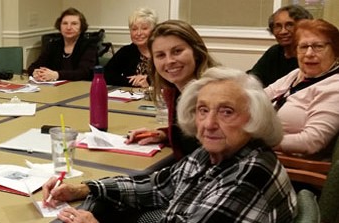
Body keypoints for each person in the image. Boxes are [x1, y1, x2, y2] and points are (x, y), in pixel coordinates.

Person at [43, 67, 296, 223]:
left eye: (226, 112)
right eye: (202, 110)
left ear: (254, 118)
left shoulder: (248, 175)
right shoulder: (214, 152)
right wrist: (83, 188)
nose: (208, 124)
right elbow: (158, 186)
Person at [125, 20, 219, 160]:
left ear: (196, 52)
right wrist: (164, 134)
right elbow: (192, 135)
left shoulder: (214, 95)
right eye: (160, 55)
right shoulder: (175, 91)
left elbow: (216, 149)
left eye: (177, 51)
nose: (169, 61)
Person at [264, 19, 339, 161]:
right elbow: (258, 99)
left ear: (335, 51)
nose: (309, 53)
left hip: (293, 168)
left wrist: (260, 142)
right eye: (303, 47)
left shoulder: (334, 87)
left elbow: (311, 141)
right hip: (266, 155)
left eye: (318, 46)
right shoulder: (297, 75)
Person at [249, 5, 313, 87]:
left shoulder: (310, 55)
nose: (283, 31)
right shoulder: (275, 51)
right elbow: (255, 77)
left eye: (289, 25)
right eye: (278, 26)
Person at [28, 8, 97, 82]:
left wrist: (56, 75)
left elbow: (83, 73)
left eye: (74, 23)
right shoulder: (54, 45)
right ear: (59, 26)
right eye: (65, 23)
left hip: (82, 87)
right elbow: (33, 66)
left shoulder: (89, 45)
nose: (68, 27)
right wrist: (36, 72)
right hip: (56, 88)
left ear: (81, 27)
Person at [104, 8, 158, 87]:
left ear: (154, 30)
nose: (139, 33)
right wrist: (133, 82)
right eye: (134, 29)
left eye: (144, 28)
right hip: (132, 95)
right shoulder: (127, 51)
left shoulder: (162, 51)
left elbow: (170, 77)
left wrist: (148, 81)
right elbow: (106, 75)